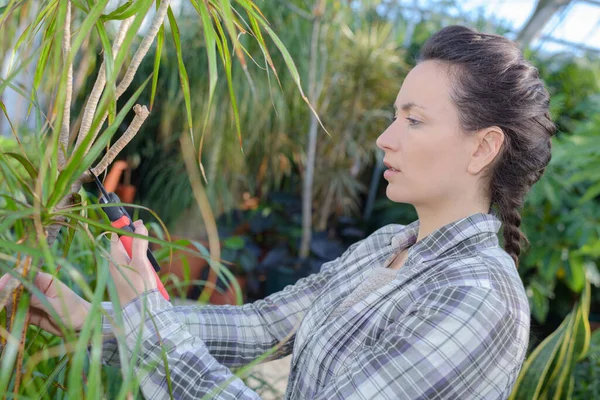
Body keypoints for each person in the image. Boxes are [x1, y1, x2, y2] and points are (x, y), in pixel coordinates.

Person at [0, 25, 555, 399]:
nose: (386, 139)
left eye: (413, 120)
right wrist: (94, 320)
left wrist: (145, 308)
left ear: (482, 148)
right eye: (395, 116)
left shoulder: (478, 296)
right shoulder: (389, 247)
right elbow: (257, 328)